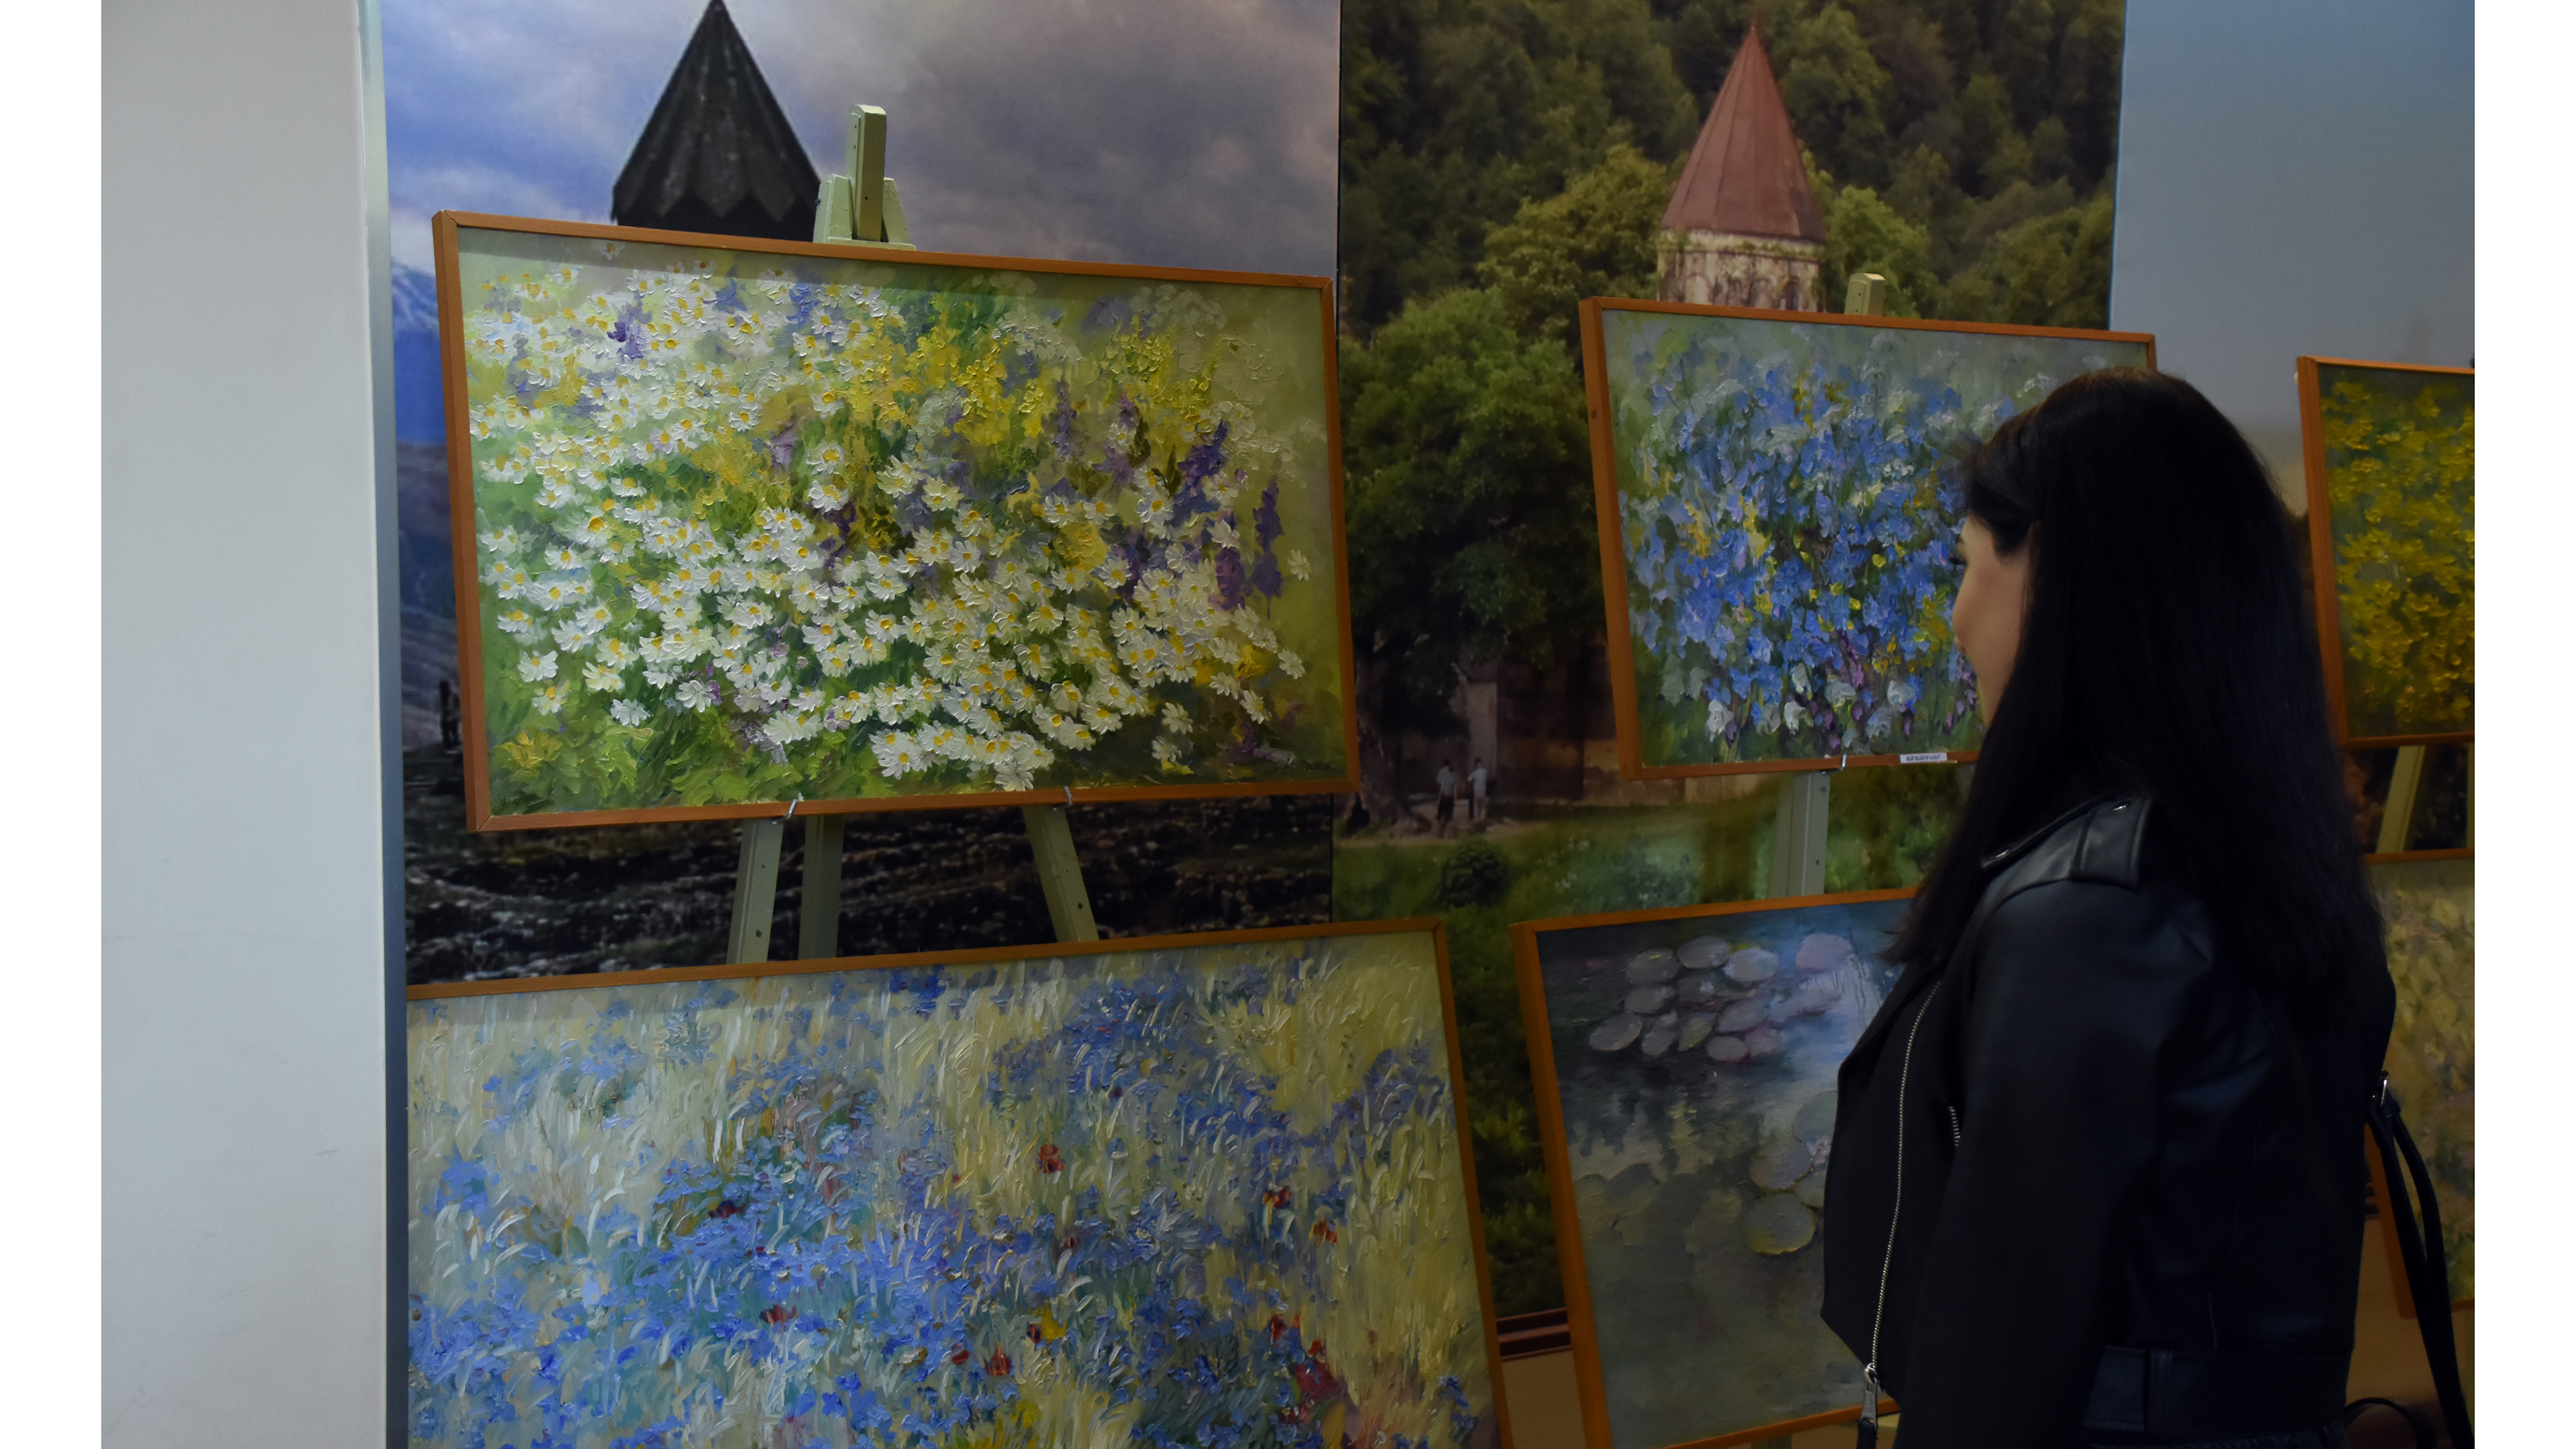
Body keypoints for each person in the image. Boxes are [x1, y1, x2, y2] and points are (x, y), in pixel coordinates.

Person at [1820, 370, 2394, 1448]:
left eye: (1968, 565)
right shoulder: (2265, 862)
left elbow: (2000, 1363)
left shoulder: (2087, 917)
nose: (1955, 619)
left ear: (2049, 573)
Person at [1433, 759, 1459, 837]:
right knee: (1449, 814)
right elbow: (1455, 789)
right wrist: (1455, 799)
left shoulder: (1442, 772)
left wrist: (1439, 796)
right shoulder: (1454, 775)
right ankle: (1448, 830)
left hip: (1444, 795)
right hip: (1451, 796)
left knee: (1441, 812)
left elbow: (1441, 786)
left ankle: (1440, 830)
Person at [1468, 757, 1490, 821]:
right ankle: (1482, 820)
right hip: (1483, 791)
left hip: (1476, 792)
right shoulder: (1485, 772)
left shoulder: (1475, 773)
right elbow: (1487, 778)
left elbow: (1469, 779)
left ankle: (1477, 820)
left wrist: (1473, 784)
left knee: (1476, 807)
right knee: (1483, 807)